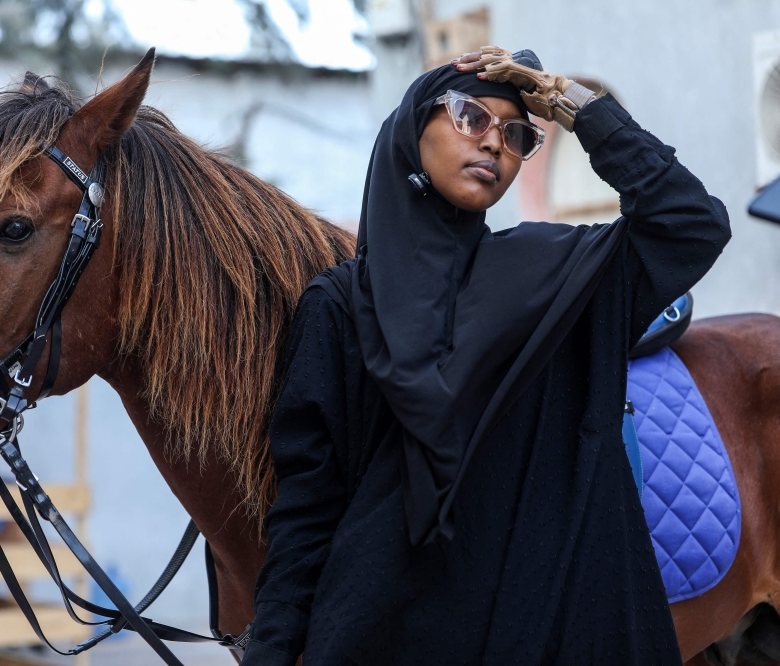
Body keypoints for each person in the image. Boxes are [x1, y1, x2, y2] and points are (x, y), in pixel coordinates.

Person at [240, 47, 731, 666]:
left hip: (546, 632)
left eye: (518, 135)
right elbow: (308, 508)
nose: (497, 144)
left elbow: (691, 224)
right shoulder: (339, 307)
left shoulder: (558, 283)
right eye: (471, 117)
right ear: (414, 125)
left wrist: (569, 103)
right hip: (382, 636)